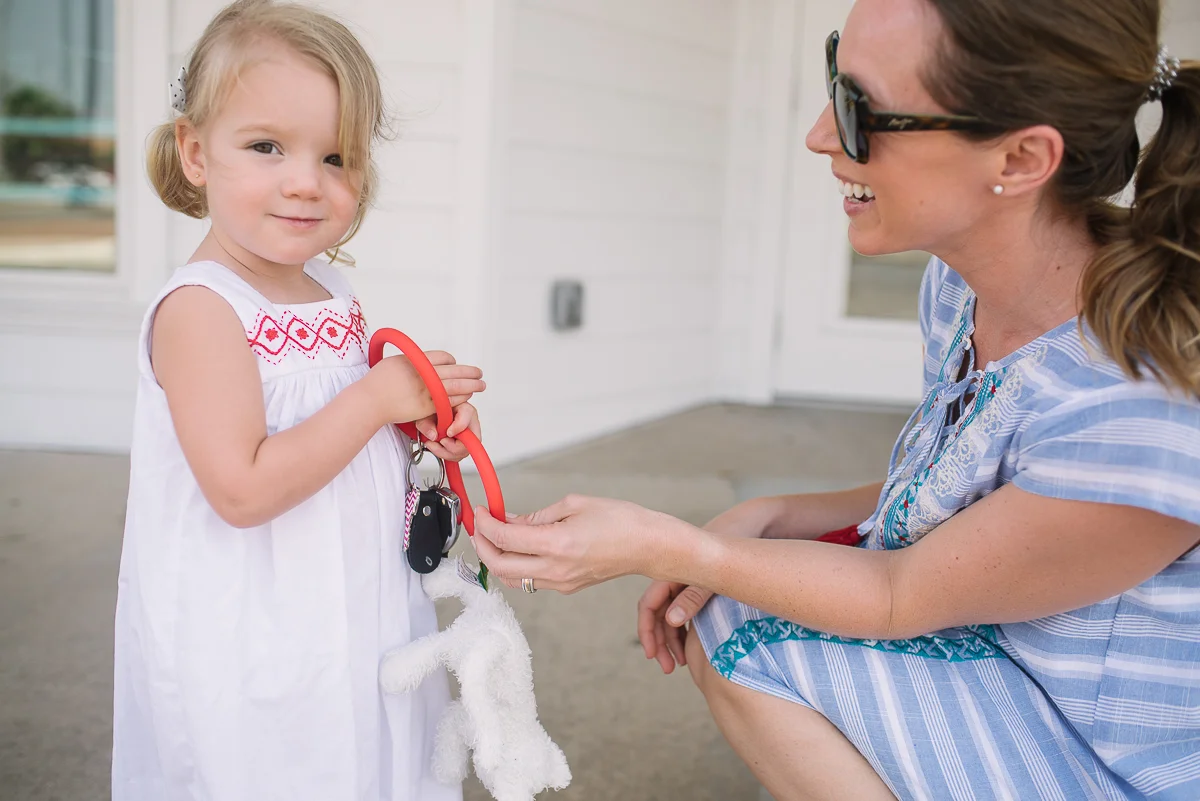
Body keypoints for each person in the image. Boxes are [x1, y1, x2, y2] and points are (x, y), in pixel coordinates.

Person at [472, 0, 1200, 797]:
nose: (820, 133)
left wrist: (667, 545)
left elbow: (900, 593)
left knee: (749, 620)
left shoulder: (1142, 414)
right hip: (1017, 660)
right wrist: (775, 514)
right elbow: (973, 495)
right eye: (834, 77)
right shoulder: (960, 289)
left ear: (1023, 157)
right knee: (734, 591)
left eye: (861, 110)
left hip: (1113, 763)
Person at [111, 2, 484, 798]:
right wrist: (374, 399)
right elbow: (243, 488)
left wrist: (411, 426)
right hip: (256, 627)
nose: (306, 181)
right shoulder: (203, 310)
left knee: (363, 755)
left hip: (353, 607)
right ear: (196, 151)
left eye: (337, 156)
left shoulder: (327, 290)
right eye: (266, 146)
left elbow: (335, 435)